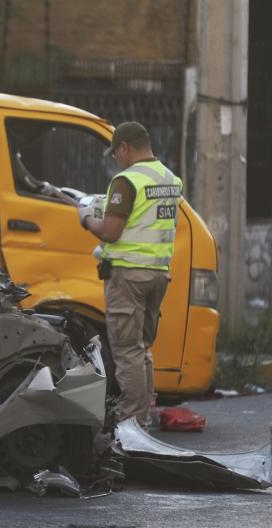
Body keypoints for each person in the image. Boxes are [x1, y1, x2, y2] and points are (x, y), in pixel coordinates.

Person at [77, 121, 183, 431]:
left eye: (116, 154)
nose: (115, 160)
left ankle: (132, 423)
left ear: (125, 148)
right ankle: (143, 418)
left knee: (125, 349)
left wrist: (87, 219)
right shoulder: (169, 179)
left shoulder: (127, 181)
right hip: (158, 274)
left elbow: (110, 231)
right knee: (141, 348)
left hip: (129, 275)